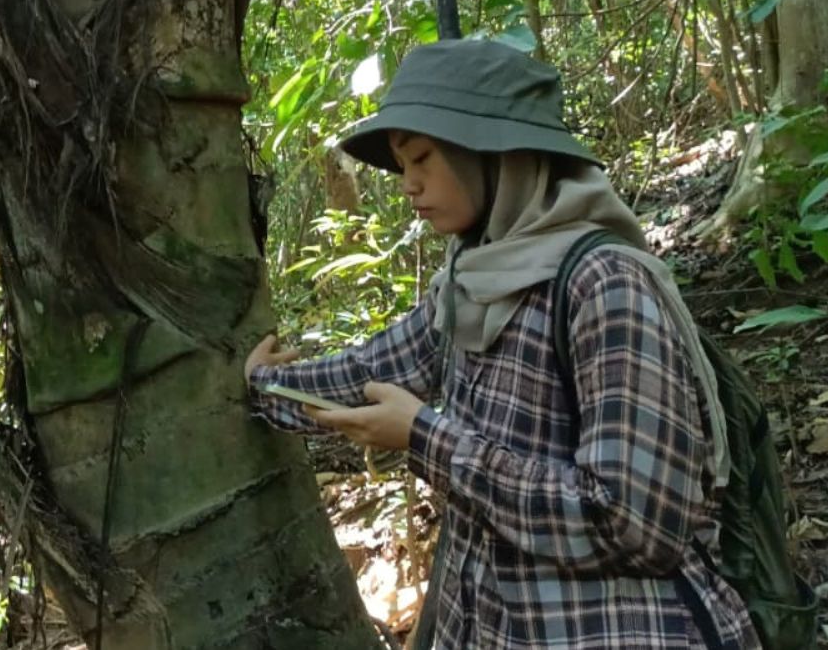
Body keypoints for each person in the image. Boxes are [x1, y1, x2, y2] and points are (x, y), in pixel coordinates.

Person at [244, 39, 759, 649]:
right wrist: (261, 385)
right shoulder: (471, 283)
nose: (408, 185)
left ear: (493, 152)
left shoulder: (607, 286)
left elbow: (636, 523)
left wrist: (427, 438)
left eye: (423, 159)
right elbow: (373, 369)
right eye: (401, 166)